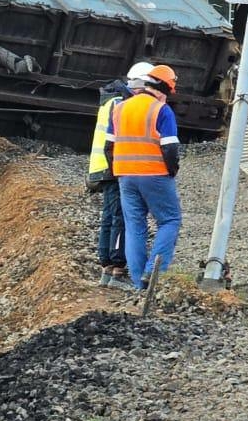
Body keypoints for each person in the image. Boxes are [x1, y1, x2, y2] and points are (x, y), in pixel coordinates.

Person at [105, 65, 182, 290]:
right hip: (154, 173)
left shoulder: (119, 108)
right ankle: (152, 273)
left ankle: (139, 284)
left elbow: (109, 146)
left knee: (134, 226)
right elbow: (170, 149)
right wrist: (172, 171)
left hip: (125, 176)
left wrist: (117, 170)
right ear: (161, 88)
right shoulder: (161, 110)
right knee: (170, 220)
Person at [86, 61, 154, 290]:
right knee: (119, 218)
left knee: (109, 216)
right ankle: (117, 271)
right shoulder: (121, 103)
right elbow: (116, 141)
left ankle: (106, 269)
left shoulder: (111, 100)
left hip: (103, 167)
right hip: (115, 167)